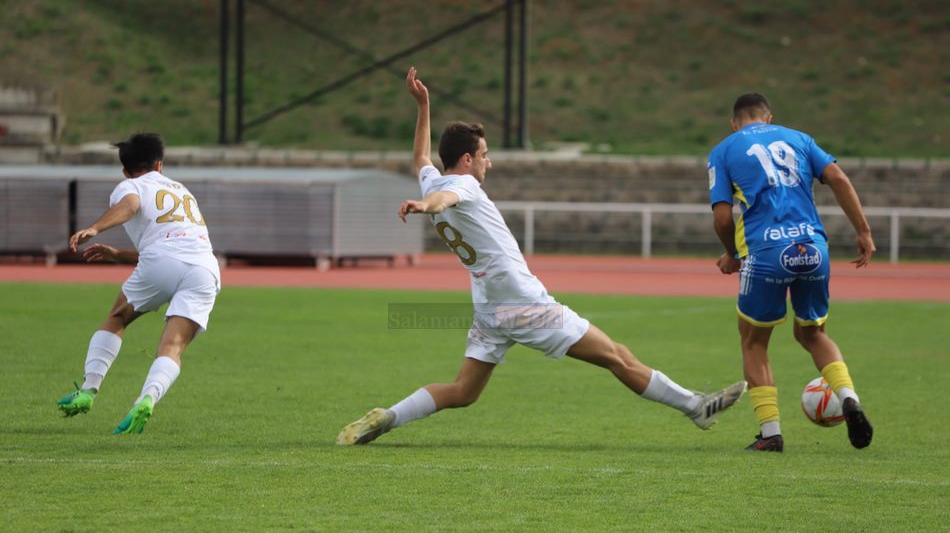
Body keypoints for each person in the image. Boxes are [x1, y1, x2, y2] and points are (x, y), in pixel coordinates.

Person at [337, 67, 747, 445]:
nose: (489, 162)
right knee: (617, 356)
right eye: (484, 155)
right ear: (467, 160)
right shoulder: (462, 188)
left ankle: (387, 416)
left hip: (489, 308)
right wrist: (425, 207)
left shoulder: (432, 180)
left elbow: (421, 159)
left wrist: (424, 106)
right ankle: (697, 407)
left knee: (463, 392)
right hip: (525, 304)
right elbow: (446, 199)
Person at [708, 93, 875, 452]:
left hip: (766, 251)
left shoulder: (723, 150)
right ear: (768, 117)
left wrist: (730, 254)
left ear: (734, 123)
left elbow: (723, 217)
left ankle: (771, 434)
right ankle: (848, 397)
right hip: (813, 248)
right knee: (813, 333)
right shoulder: (800, 139)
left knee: (754, 341)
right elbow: (839, 179)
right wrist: (863, 231)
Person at [56, 133, 221, 434]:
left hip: (161, 263)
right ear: (159, 164)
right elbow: (178, 240)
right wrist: (119, 254)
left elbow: (130, 206)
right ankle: (147, 399)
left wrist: (95, 227)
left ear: (125, 170)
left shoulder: (130, 185)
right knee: (172, 347)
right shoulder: (183, 190)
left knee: (118, 317)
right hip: (205, 268)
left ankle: (89, 390)